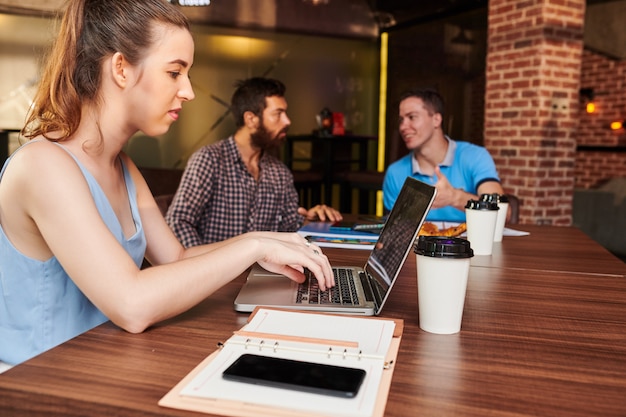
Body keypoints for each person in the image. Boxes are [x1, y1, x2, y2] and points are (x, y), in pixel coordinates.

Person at [0, 0, 333, 367]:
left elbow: (176, 258)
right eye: (175, 72)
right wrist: (254, 245)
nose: (188, 91)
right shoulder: (44, 165)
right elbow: (132, 304)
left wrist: (270, 243)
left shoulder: (122, 166)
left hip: (101, 366)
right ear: (121, 69)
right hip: (37, 382)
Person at [165, 77, 342, 247]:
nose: (287, 121)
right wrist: (205, 264)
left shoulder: (279, 172)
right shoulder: (209, 161)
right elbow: (178, 222)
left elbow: (289, 228)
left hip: (264, 273)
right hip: (216, 275)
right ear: (251, 119)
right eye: (278, 114)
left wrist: (310, 219)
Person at [383, 88, 504, 222]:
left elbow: (501, 213)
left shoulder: (475, 156)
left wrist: (455, 197)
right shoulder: (395, 172)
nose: (403, 127)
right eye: (401, 120)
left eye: (412, 117)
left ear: (436, 119)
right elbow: (394, 232)